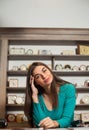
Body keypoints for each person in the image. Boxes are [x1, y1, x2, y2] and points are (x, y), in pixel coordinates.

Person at [24, 62, 76, 128]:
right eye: (38, 76)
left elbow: (67, 119)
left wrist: (54, 123)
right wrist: (34, 96)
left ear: (49, 70)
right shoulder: (37, 96)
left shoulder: (68, 89)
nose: (44, 76)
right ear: (35, 82)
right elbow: (39, 123)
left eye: (44, 70)